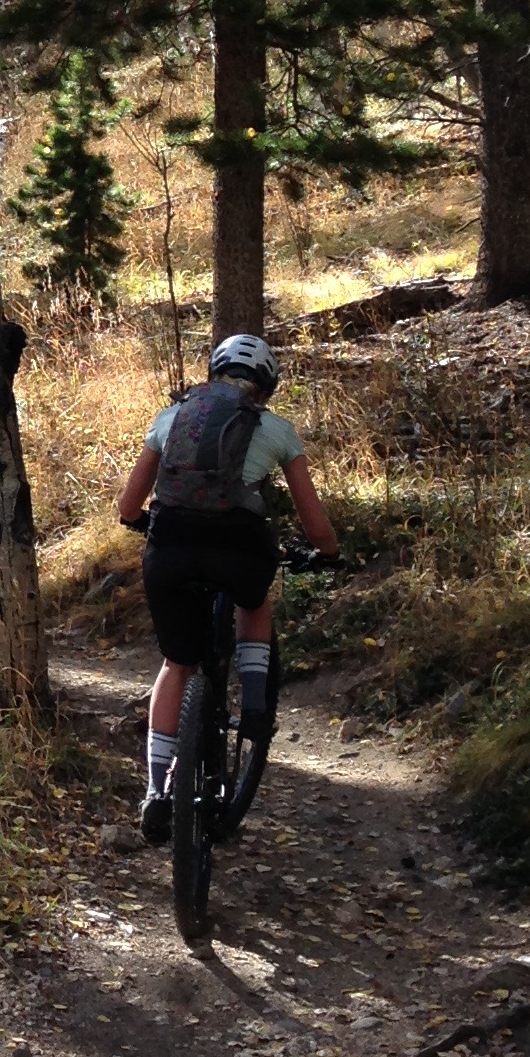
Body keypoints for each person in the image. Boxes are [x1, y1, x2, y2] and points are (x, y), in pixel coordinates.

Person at [117, 332, 338, 846]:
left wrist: (141, 522)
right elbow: (314, 522)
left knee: (177, 662)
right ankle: (256, 708)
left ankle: (156, 791)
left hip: (170, 549)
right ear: (268, 386)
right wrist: (328, 554)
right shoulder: (276, 430)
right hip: (240, 550)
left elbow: (129, 506)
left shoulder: (172, 418)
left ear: (213, 372)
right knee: (253, 599)